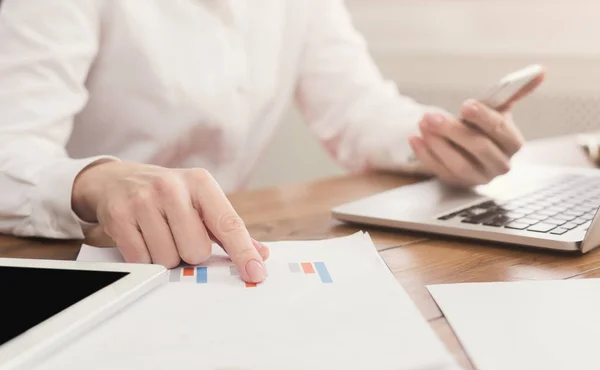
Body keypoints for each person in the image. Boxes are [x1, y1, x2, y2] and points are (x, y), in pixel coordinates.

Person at [0, 0, 543, 284]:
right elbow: (10, 148)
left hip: (219, 260)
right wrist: (94, 180)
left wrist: (443, 140)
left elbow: (356, 104)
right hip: (78, 261)